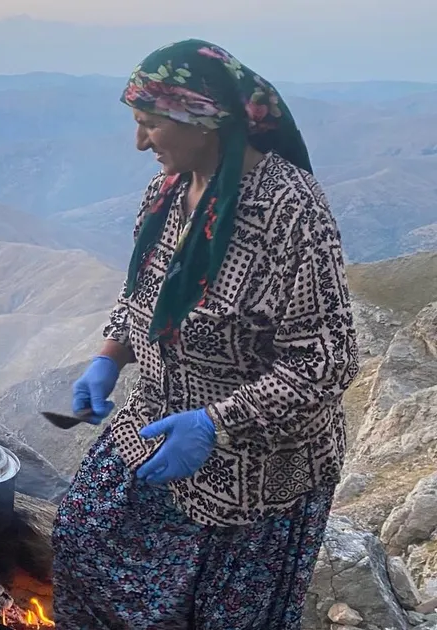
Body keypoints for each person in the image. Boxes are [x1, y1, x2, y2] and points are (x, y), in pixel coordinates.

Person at [51, 39, 359, 629]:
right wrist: (110, 356)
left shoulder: (290, 210)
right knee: (84, 542)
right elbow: (142, 290)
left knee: (219, 615)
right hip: (158, 423)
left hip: (259, 465)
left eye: (149, 125)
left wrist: (214, 423)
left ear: (202, 120)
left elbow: (328, 359)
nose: (140, 142)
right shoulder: (167, 193)